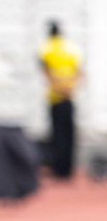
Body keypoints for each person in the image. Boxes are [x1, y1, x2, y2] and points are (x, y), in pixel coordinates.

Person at [39, 20, 81, 180]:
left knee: (57, 135)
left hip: (55, 97)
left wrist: (58, 87)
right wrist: (70, 89)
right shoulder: (71, 47)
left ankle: (59, 170)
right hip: (70, 95)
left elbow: (46, 71)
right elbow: (80, 71)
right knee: (70, 135)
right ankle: (69, 169)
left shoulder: (46, 48)